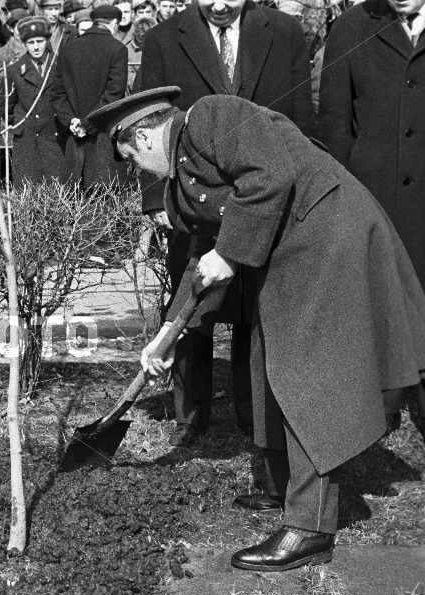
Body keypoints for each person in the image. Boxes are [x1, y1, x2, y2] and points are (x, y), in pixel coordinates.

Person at [89, 87, 425, 571]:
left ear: (142, 136)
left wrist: (229, 252)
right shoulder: (182, 184)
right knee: (264, 361)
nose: (141, 172)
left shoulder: (212, 117)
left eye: (134, 161)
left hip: (329, 232)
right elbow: (198, 267)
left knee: (303, 374)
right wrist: (167, 335)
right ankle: (283, 486)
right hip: (294, 251)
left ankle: (310, 527)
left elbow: (271, 174)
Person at [136, 0, 314, 474]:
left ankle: (254, 414)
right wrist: (157, 202)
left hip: (266, 199)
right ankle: (189, 414)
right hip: (192, 206)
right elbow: (144, 128)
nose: (219, 4)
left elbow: (306, 119)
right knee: (194, 297)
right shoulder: (162, 39)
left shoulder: (286, 33)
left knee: (257, 314)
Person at [317, 0, 425, 438]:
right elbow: (333, 122)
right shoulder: (350, 27)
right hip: (372, 195)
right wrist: (338, 199)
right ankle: (380, 407)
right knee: (379, 296)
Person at [48, 4, 128, 190]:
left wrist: (72, 122)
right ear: (115, 23)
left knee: (75, 207)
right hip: (103, 142)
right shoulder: (117, 49)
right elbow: (113, 96)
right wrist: (88, 124)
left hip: (74, 141)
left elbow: (57, 95)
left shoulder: (68, 49)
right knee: (106, 205)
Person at [3, 17, 66, 186]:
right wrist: (20, 126)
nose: (36, 47)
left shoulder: (60, 66)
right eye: (31, 42)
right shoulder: (14, 71)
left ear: (47, 40)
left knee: (56, 191)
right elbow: (6, 107)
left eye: (40, 41)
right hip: (27, 142)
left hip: (55, 138)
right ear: (24, 43)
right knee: (27, 190)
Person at [127, 15, 157, 91]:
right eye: (142, 35)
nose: (144, 38)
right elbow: (128, 80)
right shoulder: (126, 50)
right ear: (135, 33)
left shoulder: (161, 47)